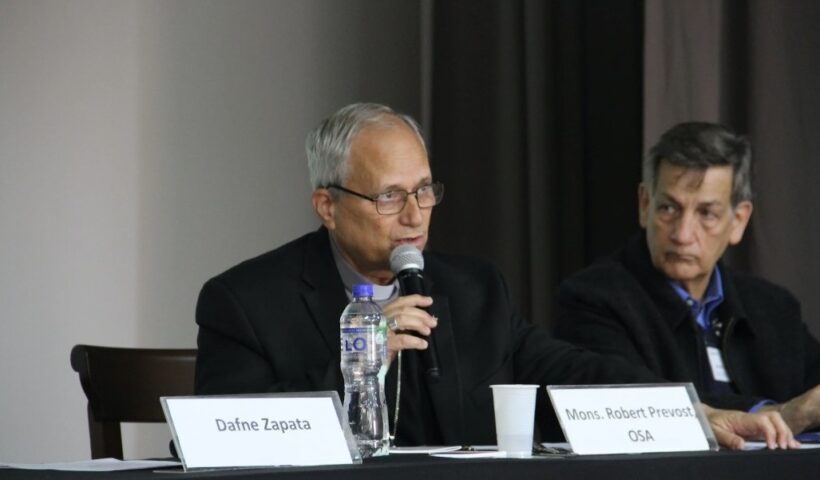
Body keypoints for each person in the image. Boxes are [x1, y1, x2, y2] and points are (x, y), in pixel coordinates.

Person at [195, 105, 795, 449]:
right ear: (327, 206)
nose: (415, 214)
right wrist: (361, 359)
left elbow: (570, 372)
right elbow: (224, 441)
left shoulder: (473, 289)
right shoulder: (244, 302)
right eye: (390, 197)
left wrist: (687, 411)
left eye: (425, 190)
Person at [555, 121, 820, 436]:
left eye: (706, 213)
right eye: (668, 208)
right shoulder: (594, 298)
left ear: (738, 220)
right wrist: (775, 414)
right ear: (644, 205)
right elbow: (623, 405)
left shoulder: (775, 308)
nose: (682, 235)